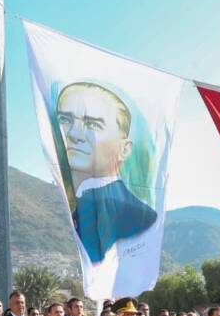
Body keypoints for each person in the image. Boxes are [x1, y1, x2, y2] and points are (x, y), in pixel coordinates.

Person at [55, 82, 157, 263]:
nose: (73, 134)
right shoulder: (70, 209)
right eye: (65, 120)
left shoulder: (139, 217)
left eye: (92, 124)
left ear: (124, 149)